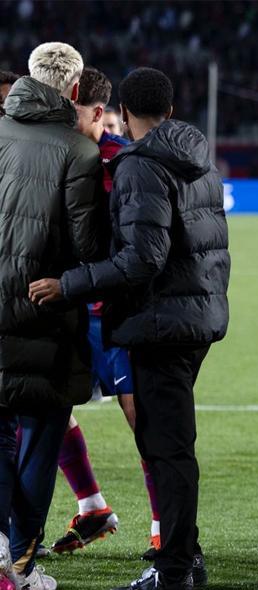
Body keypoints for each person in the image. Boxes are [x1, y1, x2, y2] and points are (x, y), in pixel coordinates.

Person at [31, 66, 231, 590]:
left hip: (161, 323)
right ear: (169, 106)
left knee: (166, 449)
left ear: (123, 108)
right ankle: (185, 558)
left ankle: (173, 571)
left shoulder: (141, 166)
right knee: (172, 445)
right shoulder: (197, 156)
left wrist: (70, 283)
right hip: (195, 316)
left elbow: (141, 259)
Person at [0, 41, 104, 590]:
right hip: (44, 313)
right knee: (40, 437)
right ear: (73, 88)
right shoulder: (77, 153)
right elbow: (89, 250)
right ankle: (19, 563)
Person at [49, 66, 134, 556]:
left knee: (141, 418)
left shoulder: (124, 162)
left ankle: (165, 533)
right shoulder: (56, 155)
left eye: (69, 108)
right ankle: (91, 507)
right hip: (68, 308)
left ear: (97, 111)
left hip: (115, 313)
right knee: (48, 408)